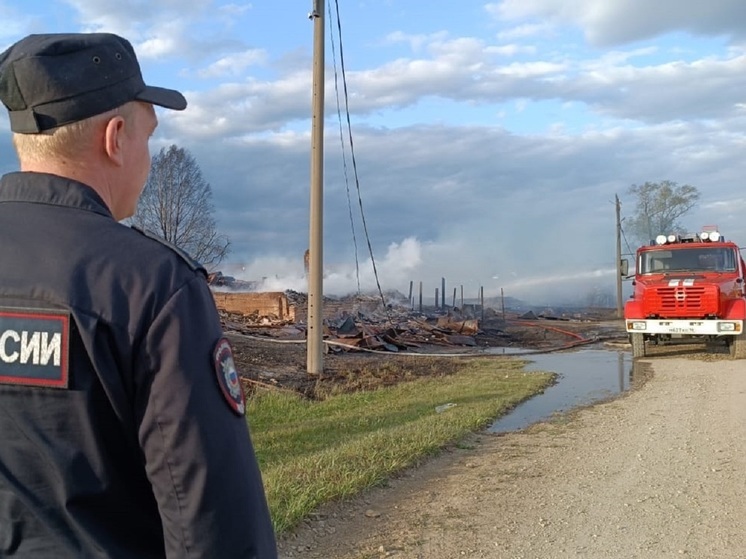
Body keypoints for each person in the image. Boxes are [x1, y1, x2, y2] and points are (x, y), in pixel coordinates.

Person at [0, 33, 277, 558]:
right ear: (116, 137)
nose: (147, 161)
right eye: (149, 138)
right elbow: (212, 524)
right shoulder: (152, 286)